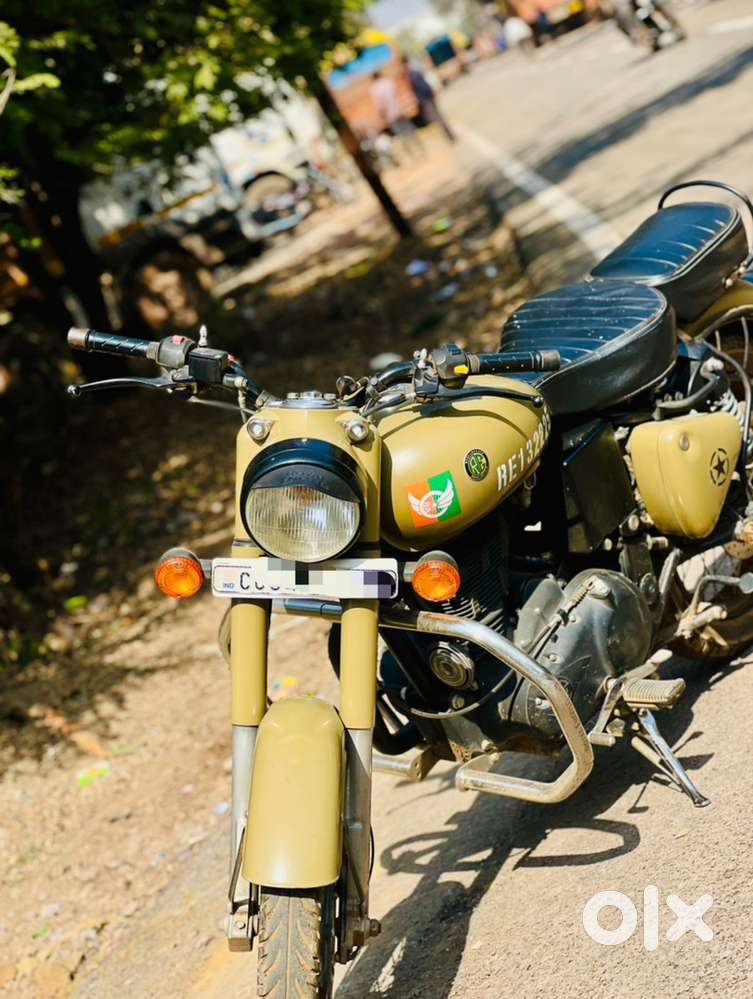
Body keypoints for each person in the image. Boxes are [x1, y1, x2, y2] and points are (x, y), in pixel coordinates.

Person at [369, 70, 423, 158]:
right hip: (399, 111)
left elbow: (380, 106)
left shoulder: (375, 89)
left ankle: (412, 154)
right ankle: (420, 149)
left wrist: (383, 117)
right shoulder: (388, 82)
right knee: (410, 130)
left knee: (401, 135)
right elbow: (397, 94)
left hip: (391, 116)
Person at [402, 56, 456, 144]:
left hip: (425, 100)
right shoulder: (412, 74)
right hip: (425, 100)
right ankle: (449, 136)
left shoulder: (413, 75)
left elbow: (424, 87)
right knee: (438, 119)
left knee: (437, 119)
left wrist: (429, 94)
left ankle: (450, 137)